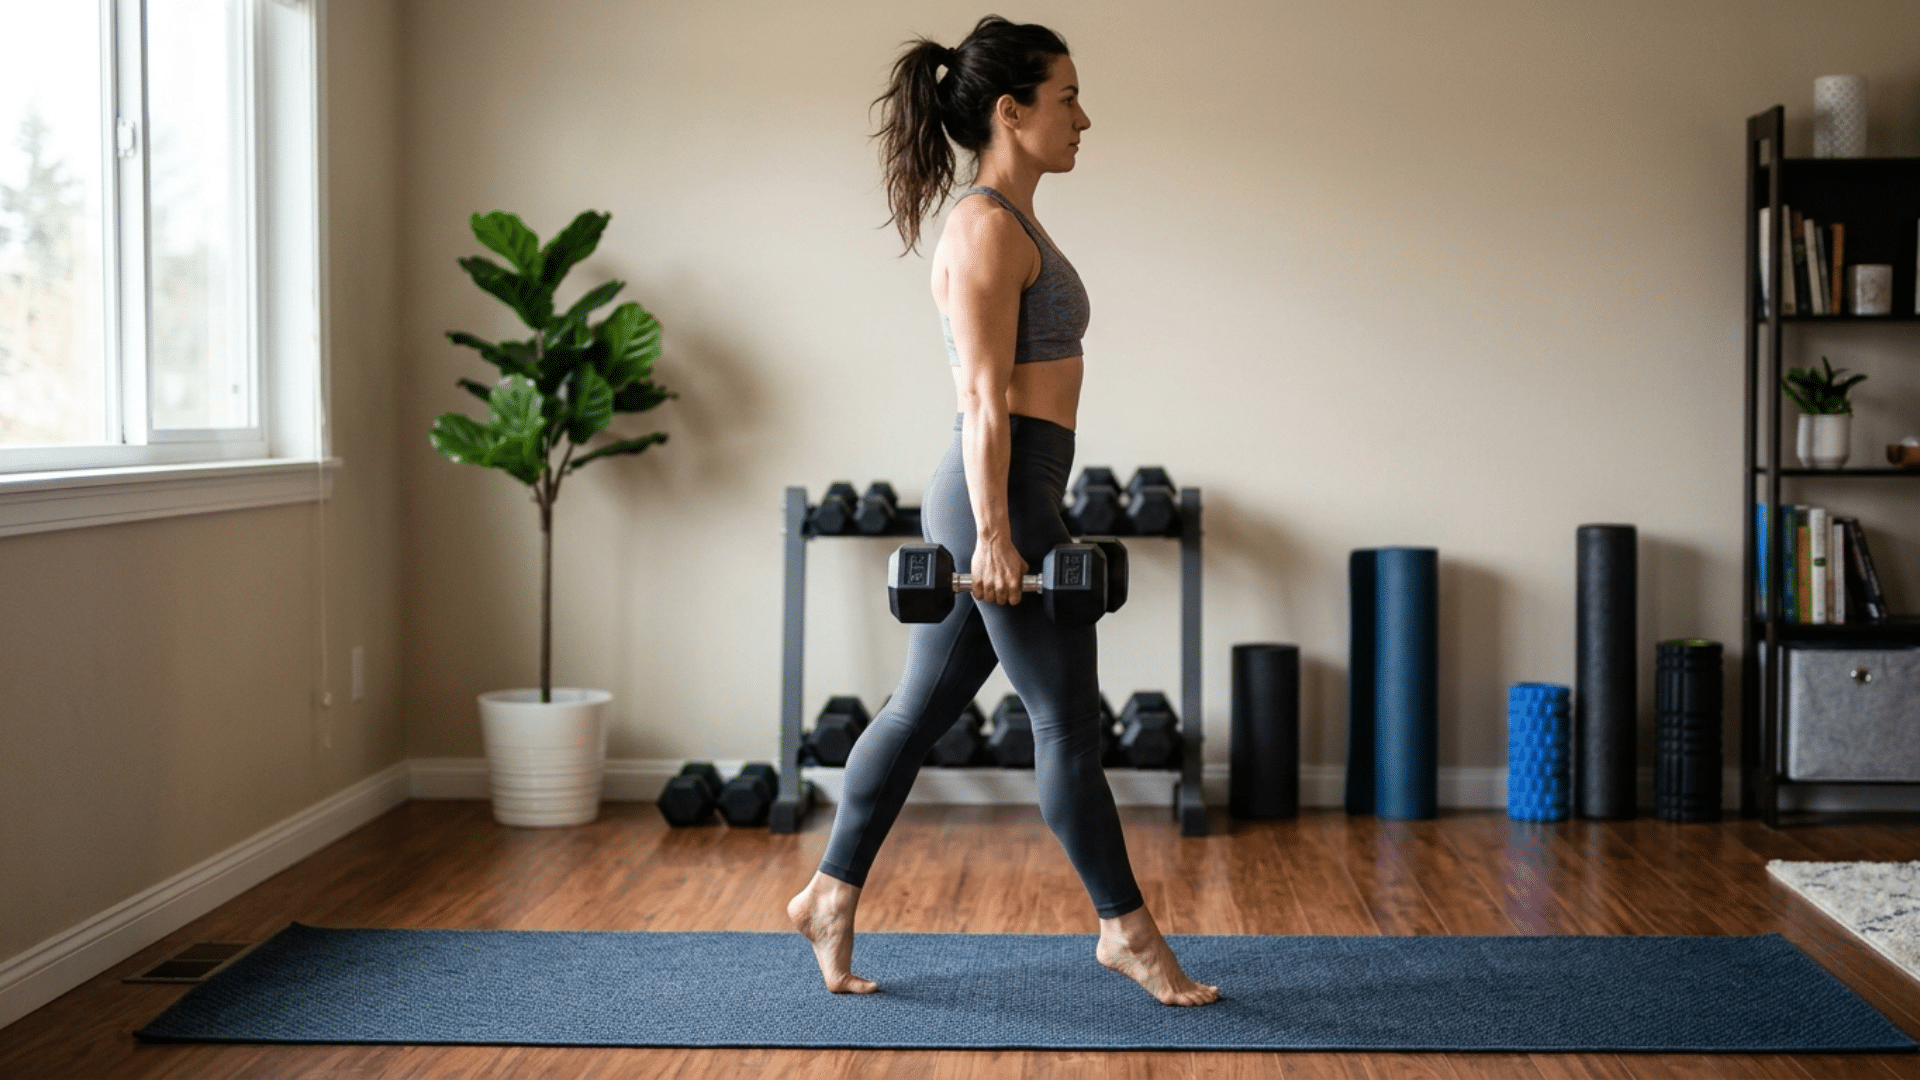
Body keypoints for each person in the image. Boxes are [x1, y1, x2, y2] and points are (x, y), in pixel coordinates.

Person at [786, 15, 1218, 1008]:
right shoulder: (983, 226)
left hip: (1018, 485)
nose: (1085, 118)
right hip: (1000, 490)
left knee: (921, 710)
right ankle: (1128, 934)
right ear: (1010, 112)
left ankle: (827, 893)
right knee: (1066, 723)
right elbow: (982, 401)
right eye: (1068, 98)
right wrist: (993, 535)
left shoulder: (1012, 220)